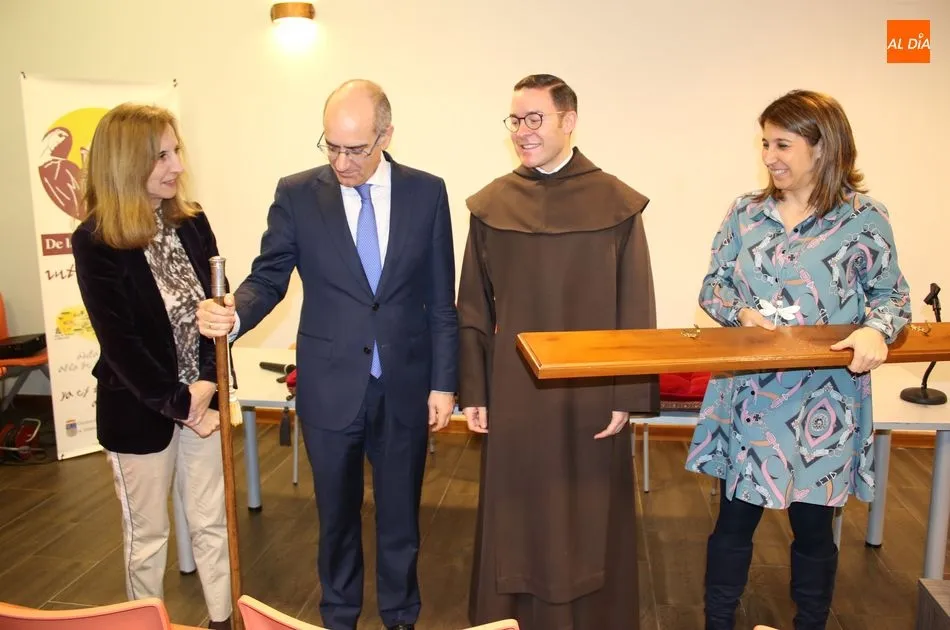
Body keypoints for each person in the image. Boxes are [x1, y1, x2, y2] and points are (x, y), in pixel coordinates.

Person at [196, 79, 458, 630]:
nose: (341, 162)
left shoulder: (426, 192)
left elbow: (441, 297)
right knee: (335, 517)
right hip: (330, 384)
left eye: (356, 149)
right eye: (331, 147)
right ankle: (338, 616)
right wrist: (236, 314)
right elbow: (269, 276)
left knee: (400, 521)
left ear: (386, 135)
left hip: (405, 383)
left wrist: (444, 382)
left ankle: (400, 617)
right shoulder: (297, 193)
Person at [686, 89, 912, 630]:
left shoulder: (865, 219)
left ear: (823, 146)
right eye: (765, 143)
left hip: (824, 403)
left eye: (782, 144)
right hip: (749, 395)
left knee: (815, 530)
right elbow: (713, 287)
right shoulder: (746, 212)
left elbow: (893, 298)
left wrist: (875, 332)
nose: (769, 156)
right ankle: (718, 623)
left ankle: (810, 623)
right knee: (732, 524)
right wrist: (741, 314)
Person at [457, 73, 659, 630]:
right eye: (515, 120)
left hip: (591, 391)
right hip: (515, 391)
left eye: (534, 119)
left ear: (568, 122)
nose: (522, 131)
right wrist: (474, 390)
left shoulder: (616, 203)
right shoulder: (492, 205)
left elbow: (635, 307)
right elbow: (473, 307)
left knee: (587, 514)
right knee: (518, 514)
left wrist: (626, 394)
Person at [72, 103, 232, 630]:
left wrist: (208, 384)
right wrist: (185, 403)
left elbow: (218, 308)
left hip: (203, 399)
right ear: (125, 162)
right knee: (149, 539)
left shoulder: (191, 220)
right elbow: (122, 344)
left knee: (212, 523)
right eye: (161, 155)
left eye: (176, 150)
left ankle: (222, 620)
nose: (177, 165)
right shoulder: (96, 240)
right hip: (143, 412)